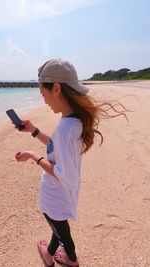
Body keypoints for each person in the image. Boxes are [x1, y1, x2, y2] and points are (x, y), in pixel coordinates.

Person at [15, 58, 127, 267]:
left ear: (56, 89)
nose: (44, 100)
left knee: (61, 230)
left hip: (55, 196)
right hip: (62, 195)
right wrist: (34, 131)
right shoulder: (72, 121)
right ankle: (51, 252)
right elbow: (58, 147)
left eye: (43, 94)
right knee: (58, 225)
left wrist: (32, 155)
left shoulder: (67, 128)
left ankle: (69, 259)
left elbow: (61, 172)